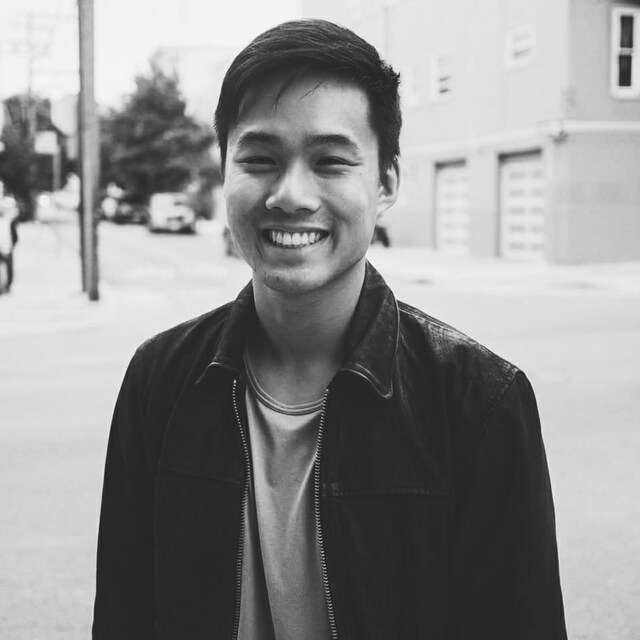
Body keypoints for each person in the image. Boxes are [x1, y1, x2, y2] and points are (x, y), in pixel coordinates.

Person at [93, 19, 567, 639]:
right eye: (260, 159)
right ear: (224, 171)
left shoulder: (480, 401)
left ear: (386, 181)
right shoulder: (159, 381)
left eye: (330, 161)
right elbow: (125, 615)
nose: (291, 195)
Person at [0, 181, 19, 294]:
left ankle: (6, 285)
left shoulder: (7, 203)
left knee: (8, 263)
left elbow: (14, 217)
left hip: (5, 238)